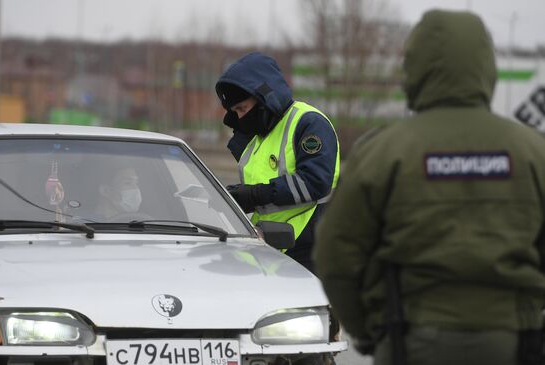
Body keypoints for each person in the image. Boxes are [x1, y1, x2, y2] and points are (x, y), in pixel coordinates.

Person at [312, 9, 545, 365]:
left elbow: (335, 253)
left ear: (414, 69)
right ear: (487, 67)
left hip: (409, 339)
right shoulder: (532, 152)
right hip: (513, 340)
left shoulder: (383, 152)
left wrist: (369, 328)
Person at [215, 52, 340, 271]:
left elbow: (315, 181)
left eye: (243, 108)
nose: (241, 117)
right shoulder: (256, 135)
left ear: (264, 96)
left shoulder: (308, 123)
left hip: (311, 247)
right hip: (270, 246)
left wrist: (254, 195)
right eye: (235, 111)